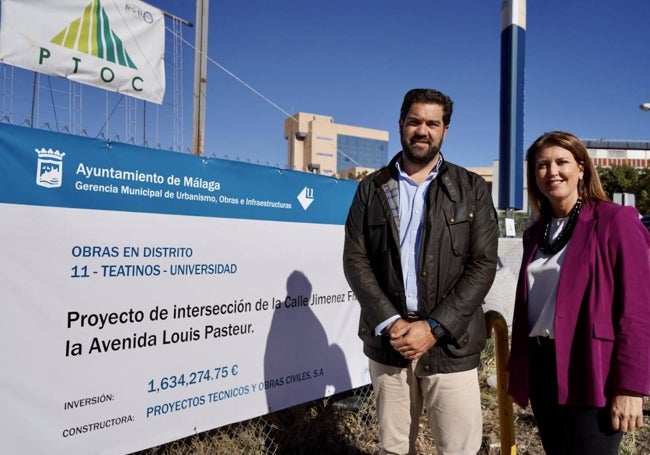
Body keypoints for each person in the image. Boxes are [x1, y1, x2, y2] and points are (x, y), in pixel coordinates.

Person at [343, 88, 499, 455]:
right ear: (401, 124)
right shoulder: (372, 188)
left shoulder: (471, 188)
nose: (422, 130)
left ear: (445, 130)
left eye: (432, 123)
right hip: (389, 342)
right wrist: (392, 322)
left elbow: (482, 265)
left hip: (451, 343)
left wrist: (433, 327)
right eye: (415, 121)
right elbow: (355, 259)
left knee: (459, 448)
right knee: (394, 447)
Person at [507, 131, 650, 454]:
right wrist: (519, 373)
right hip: (544, 367)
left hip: (592, 366)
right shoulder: (535, 233)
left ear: (582, 168)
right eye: (542, 165)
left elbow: (638, 310)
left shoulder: (616, 220)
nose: (552, 172)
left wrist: (630, 388)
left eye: (561, 162)